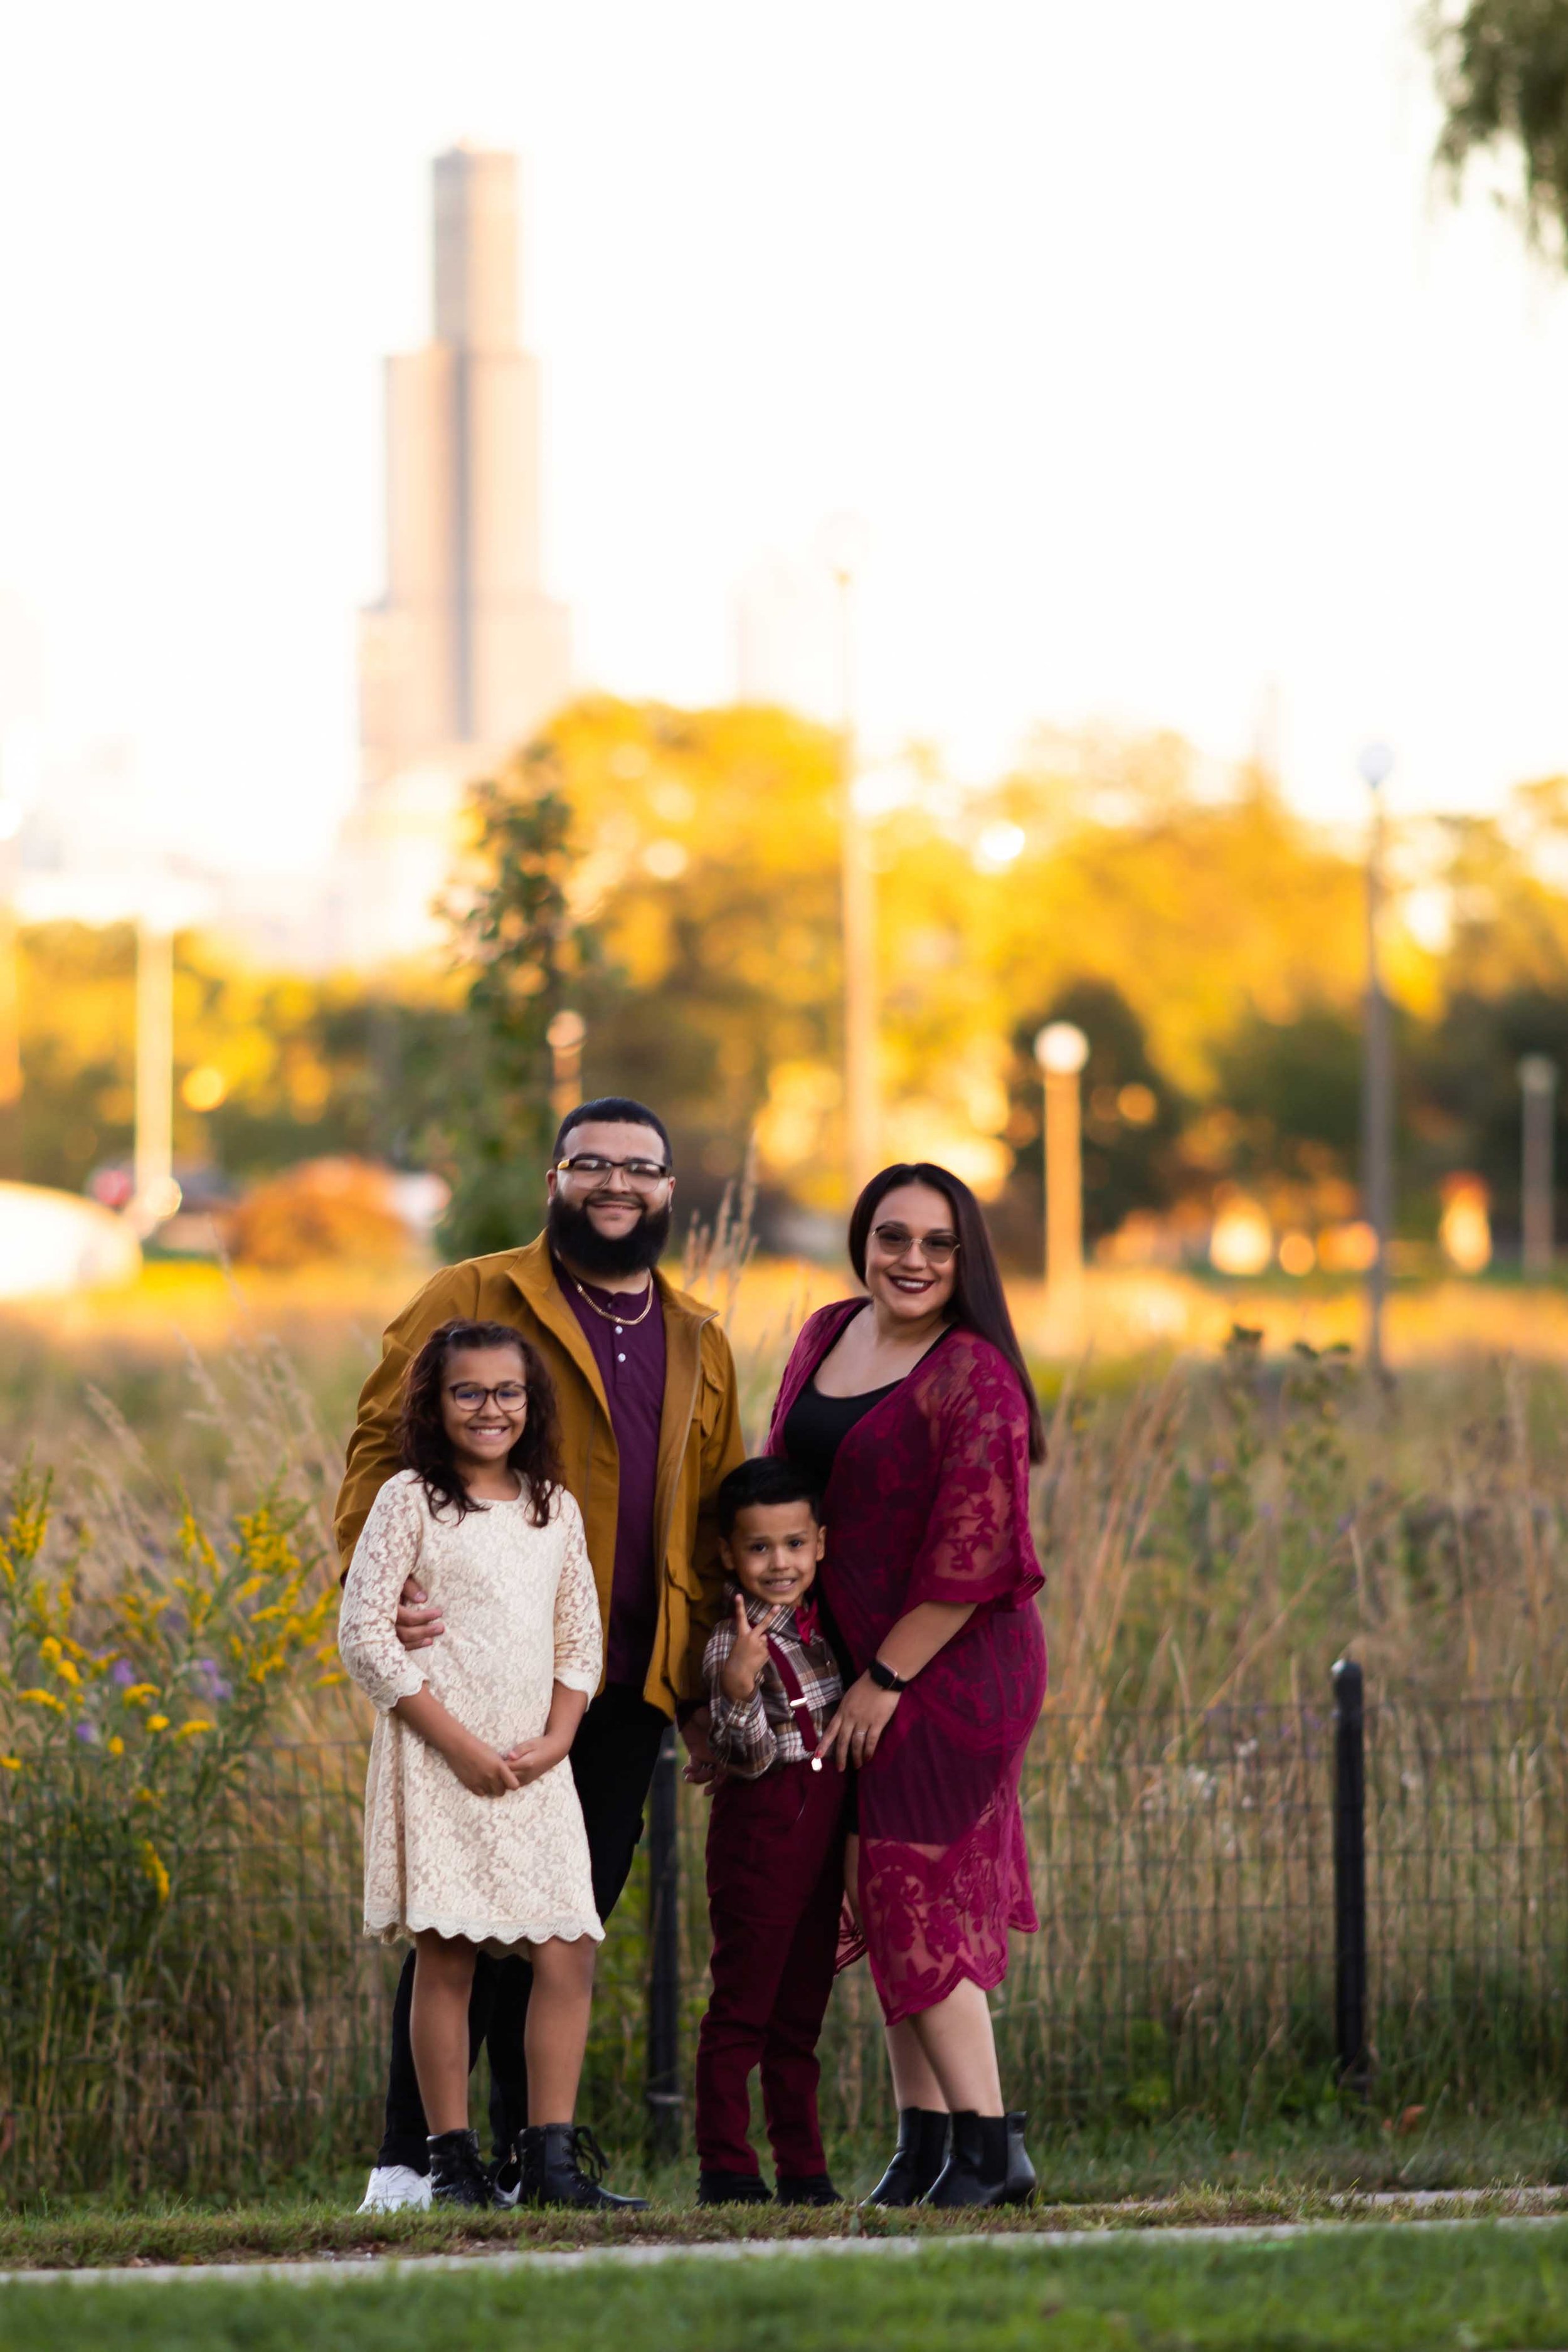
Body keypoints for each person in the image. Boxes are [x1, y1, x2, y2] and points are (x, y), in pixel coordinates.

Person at [336, 1098, 744, 2213]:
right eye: (592, 1165)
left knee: (558, 1923)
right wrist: (393, 1576)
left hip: (618, 1686)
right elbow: (379, 1441)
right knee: (458, 1922)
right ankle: (413, 2163)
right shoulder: (473, 1296)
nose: (617, 1185)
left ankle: (536, 2159)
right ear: (556, 1177)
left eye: (641, 1169)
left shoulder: (700, 1335)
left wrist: (706, 1679)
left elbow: (712, 1518)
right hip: (471, 1678)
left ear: (669, 1189)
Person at [766, 1162, 1047, 2210]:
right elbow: (781, 1484)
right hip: (851, 1668)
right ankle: (923, 2144)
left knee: (905, 1889)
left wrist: (882, 1680)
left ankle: (990, 2148)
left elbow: (975, 1558)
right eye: (894, 1236)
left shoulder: (977, 1377)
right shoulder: (826, 1333)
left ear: (965, 1258)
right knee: (878, 1892)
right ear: (862, 1241)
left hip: (949, 1667)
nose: (913, 1260)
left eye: (937, 1243)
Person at [338, 1321, 610, 2209]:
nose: (490, 1407)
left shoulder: (552, 1506)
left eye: (507, 1392)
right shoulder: (410, 1500)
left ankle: (550, 2163)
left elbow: (581, 1636)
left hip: (535, 1763)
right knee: (448, 1954)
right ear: (434, 1401)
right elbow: (365, 1633)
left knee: (567, 1947)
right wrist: (455, 1742)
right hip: (440, 1757)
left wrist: (562, 1734)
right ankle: (448, 2162)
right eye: (468, 1391)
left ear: (530, 1405)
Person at [692, 1458, 849, 2209]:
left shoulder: (822, 1629)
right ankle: (726, 2169)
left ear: (819, 1543)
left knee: (799, 2018)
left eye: (793, 1544)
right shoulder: (735, 1644)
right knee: (742, 2012)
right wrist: (737, 1686)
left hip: (816, 1845)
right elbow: (747, 1757)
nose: (779, 1563)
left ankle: (804, 2173)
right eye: (759, 1549)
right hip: (760, 1840)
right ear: (730, 1554)